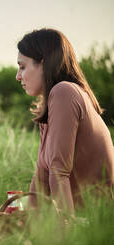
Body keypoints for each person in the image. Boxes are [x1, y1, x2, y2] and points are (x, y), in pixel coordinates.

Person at [16, 28, 114, 213]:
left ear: (44, 64)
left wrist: (67, 233)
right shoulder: (48, 108)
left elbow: (58, 171)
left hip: (96, 220)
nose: (18, 76)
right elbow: (41, 179)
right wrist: (26, 221)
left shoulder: (64, 92)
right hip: (80, 216)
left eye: (22, 67)